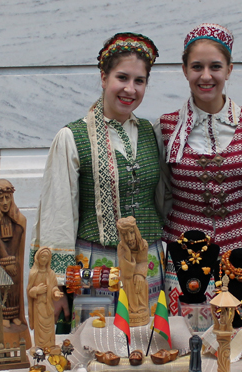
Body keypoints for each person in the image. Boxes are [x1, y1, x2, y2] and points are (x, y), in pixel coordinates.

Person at [30, 32, 165, 320]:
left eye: (139, 81)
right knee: (96, 350)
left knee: (150, 348)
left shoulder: (153, 134)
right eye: (122, 77)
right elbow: (58, 214)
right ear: (103, 77)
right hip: (93, 266)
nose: (130, 89)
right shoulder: (71, 137)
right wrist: (57, 287)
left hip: (148, 266)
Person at [154, 23, 242, 253]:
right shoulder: (166, 127)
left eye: (215, 66)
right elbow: (163, 196)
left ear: (229, 70)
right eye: (197, 66)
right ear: (185, 70)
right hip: (184, 255)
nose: (206, 76)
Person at [0, 179, 28, 328]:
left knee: (15, 288)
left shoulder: (18, 220)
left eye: (7, 198)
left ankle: (15, 315)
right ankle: (3, 316)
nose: (4, 202)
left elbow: (16, 240)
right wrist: (7, 261)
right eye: (0, 199)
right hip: (0, 263)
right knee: (1, 288)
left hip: (14, 261)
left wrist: (12, 262)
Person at [27, 247, 64, 348]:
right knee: (40, 328)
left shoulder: (50, 273)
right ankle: (40, 347)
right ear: (37, 257)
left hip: (48, 306)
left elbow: (54, 287)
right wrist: (36, 290)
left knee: (49, 327)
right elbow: (29, 291)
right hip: (39, 306)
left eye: (46, 257)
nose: (44, 259)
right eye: (42, 257)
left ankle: (50, 346)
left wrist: (56, 293)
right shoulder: (33, 273)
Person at [116, 216, 149, 326]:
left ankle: (141, 309)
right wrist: (127, 251)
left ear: (136, 232)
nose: (129, 238)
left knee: (142, 282)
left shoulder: (143, 245)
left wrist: (140, 274)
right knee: (128, 281)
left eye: (131, 233)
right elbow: (126, 272)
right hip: (127, 276)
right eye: (125, 234)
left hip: (139, 273)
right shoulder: (121, 247)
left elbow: (143, 261)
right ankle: (130, 309)